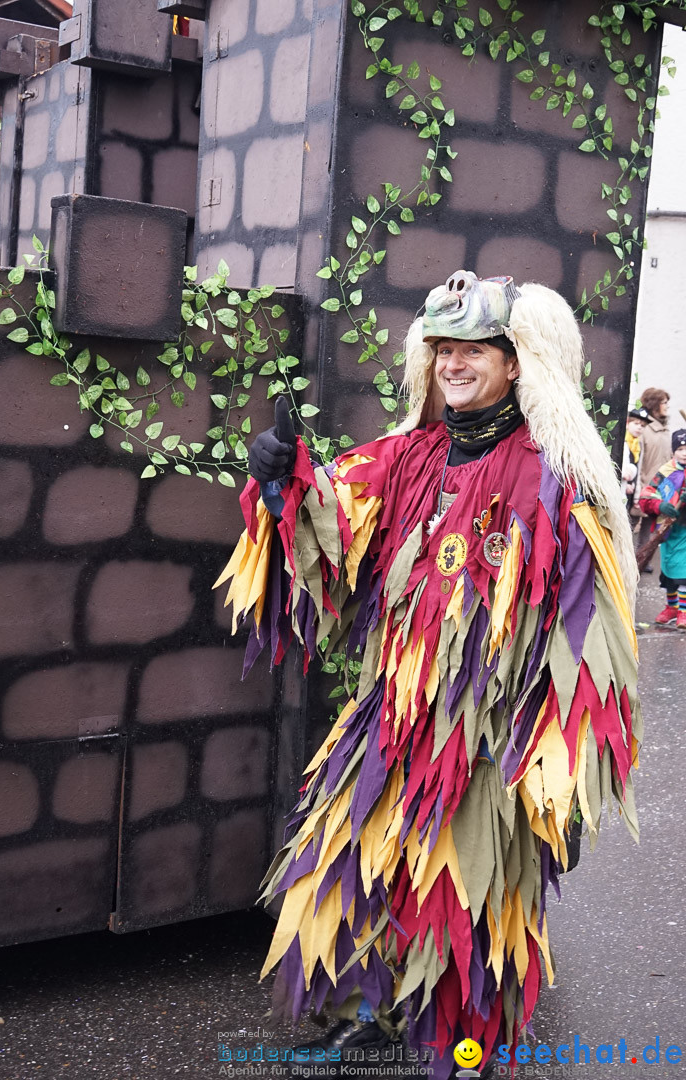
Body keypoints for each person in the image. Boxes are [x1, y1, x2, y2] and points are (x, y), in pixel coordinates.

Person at [216, 272, 641, 1079]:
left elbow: (591, 626)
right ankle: (366, 1013)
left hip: (492, 728)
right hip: (393, 714)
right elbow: (332, 527)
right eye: (442, 348)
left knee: (467, 894)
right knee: (354, 860)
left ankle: (462, 1038)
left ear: (514, 362)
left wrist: (555, 751)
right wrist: (282, 480)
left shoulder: (554, 478)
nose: (452, 362)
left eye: (471, 349)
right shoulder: (404, 454)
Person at [638, 429, 686, 628]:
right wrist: (660, 506)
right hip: (667, 530)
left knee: (683, 570)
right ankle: (671, 606)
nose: (684, 452)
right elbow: (646, 496)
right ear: (674, 450)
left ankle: (683, 611)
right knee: (668, 569)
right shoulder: (666, 471)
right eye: (681, 448)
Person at [633, 388, 672, 570]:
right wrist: (639, 487)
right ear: (654, 404)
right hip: (645, 485)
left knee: (651, 525)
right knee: (634, 523)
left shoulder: (664, 429)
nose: (667, 406)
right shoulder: (646, 429)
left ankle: (643, 559)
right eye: (664, 402)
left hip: (661, 488)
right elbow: (639, 460)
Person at [621, 406, 648, 514]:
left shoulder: (638, 445)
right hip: (622, 487)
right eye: (636, 424)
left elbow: (638, 469)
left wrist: (637, 495)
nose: (639, 428)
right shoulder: (622, 442)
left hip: (631, 491)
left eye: (642, 425)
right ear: (627, 423)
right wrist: (625, 483)